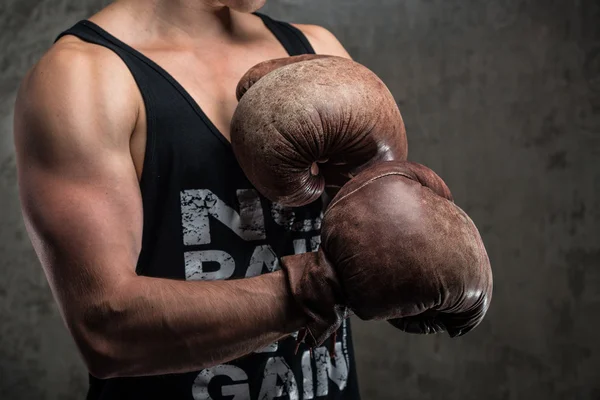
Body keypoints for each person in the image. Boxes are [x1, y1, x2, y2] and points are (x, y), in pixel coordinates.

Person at [13, 0, 360, 399]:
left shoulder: (316, 49)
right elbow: (106, 329)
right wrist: (319, 290)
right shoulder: (82, 78)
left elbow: (386, 234)